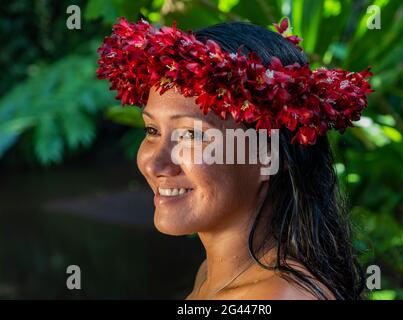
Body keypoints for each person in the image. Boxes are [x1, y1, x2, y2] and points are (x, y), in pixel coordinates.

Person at [97, 17, 373, 300]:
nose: (154, 164)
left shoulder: (274, 297)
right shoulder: (213, 274)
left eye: (192, 135)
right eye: (152, 130)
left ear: (268, 154)